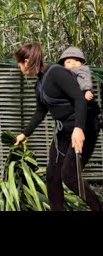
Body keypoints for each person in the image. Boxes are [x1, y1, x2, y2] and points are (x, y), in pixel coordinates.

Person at [14, 42, 102, 211]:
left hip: (85, 126)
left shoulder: (56, 72)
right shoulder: (39, 85)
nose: (19, 67)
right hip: (63, 132)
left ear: (26, 61)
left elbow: (79, 99)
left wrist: (79, 128)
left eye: (19, 63)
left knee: (69, 175)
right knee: (52, 177)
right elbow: (40, 112)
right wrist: (25, 133)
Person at [58, 46, 103, 132]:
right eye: (69, 62)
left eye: (77, 61)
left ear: (82, 63)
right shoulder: (63, 75)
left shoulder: (81, 71)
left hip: (85, 103)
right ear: (63, 65)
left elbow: (85, 80)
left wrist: (87, 90)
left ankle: (99, 118)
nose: (73, 63)